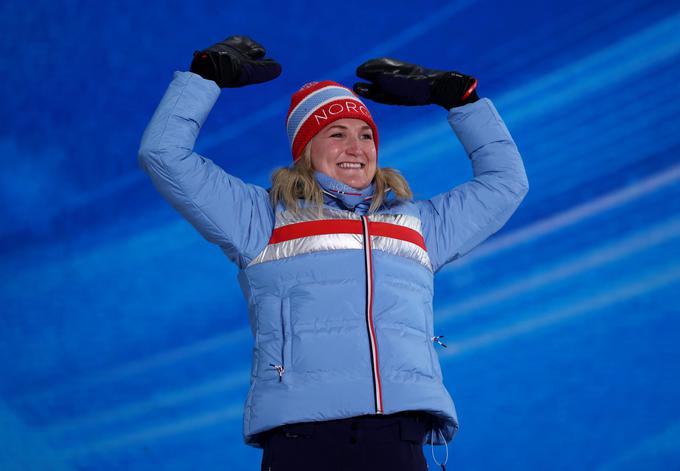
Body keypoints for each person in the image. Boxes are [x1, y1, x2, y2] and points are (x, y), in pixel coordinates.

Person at [137, 35, 529, 471]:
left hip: (398, 437)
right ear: (305, 150)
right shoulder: (259, 217)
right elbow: (163, 154)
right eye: (336, 134)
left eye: (366, 135)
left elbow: (506, 183)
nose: (356, 147)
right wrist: (203, 77)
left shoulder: (416, 225)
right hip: (303, 440)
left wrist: (460, 101)